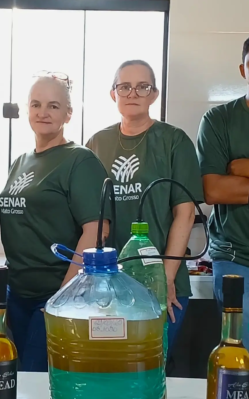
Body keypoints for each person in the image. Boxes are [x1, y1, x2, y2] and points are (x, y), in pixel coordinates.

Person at [86, 60, 202, 354]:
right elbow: (93, 220)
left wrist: (166, 278)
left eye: (143, 86)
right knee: (114, 371)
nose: (133, 93)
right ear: (113, 94)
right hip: (110, 285)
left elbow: (185, 213)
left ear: (154, 94)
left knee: (150, 369)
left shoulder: (174, 141)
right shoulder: (97, 143)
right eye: (124, 86)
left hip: (162, 281)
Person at [0, 73, 110, 372]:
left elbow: (97, 230)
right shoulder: (21, 161)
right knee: (23, 379)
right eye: (36, 104)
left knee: (35, 377)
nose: (43, 112)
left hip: (56, 293)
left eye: (53, 106)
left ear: (68, 114)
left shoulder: (79, 160)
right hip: (18, 292)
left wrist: (65, 294)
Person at [197, 36, 249, 345]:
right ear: (244, 70)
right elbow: (213, 190)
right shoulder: (219, 120)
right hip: (236, 257)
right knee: (240, 359)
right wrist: (229, 172)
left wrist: (241, 166)